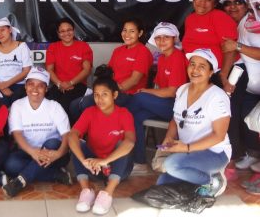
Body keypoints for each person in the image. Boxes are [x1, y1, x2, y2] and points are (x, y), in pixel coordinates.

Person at [157, 48, 231, 198]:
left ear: (211, 72)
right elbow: (175, 120)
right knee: (162, 184)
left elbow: (219, 136)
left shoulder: (217, 96)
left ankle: (212, 180)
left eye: (202, 66)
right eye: (192, 64)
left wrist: (187, 147)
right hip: (188, 151)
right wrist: (169, 137)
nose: (195, 70)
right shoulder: (182, 90)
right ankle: (196, 175)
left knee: (172, 165)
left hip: (214, 152)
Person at [68, 74, 135, 215]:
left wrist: (104, 161)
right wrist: (83, 161)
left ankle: (107, 192)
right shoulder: (89, 112)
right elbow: (73, 134)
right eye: (96, 95)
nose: (99, 99)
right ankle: (86, 190)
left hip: (118, 168)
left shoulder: (124, 114)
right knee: (75, 142)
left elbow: (130, 142)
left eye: (104, 94)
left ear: (115, 95)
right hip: (94, 168)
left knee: (123, 144)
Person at [126, 22, 188, 172]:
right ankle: (139, 162)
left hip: (178, 109)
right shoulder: (161, 58)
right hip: (164, 104)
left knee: (139, 98)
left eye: (166, 37)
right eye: (158, 38)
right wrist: (147, 92)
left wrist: (145, 91)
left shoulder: (177, 57)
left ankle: (113, 126)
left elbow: (172, 92)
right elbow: (160, 88)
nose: (161, 41)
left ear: (174, 39)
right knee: (136, 117)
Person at [2, 67, 72, 198]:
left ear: (46, 89)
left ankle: (20, 181)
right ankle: (55, 174)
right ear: (25, 87)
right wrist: (33, 152)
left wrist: (59, 154)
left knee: (52, 142)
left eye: (40, 86)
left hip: (54, 154)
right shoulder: (18, 105)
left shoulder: (54, 106)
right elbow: (17, 134)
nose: (35, 89)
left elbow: (67, 135)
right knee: (10, 165)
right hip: (28, 152)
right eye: (31, 84)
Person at [70, 18, 153, 123]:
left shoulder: (143, 52)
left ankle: (95, 134)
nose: (127, 34)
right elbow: (108, 73)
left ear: (140, 33)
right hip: (111, 91)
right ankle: (81, 136)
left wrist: (112, 91)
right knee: (74, 105)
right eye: (124, 30)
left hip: (128, 95)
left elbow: (134, 80)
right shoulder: (118, 50)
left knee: (86, 104)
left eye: (132, 31)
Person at [219, 0, 260, 182]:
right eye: (228, 3)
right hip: (250, 82)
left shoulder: (251, 23)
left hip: (256, 81)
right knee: (246, 118)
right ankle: (252, 154)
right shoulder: (235, 25)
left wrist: (237, 47)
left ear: (246, 6)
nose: (233, 6)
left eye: (238, 3)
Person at [182, 0, 237, 95]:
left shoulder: (219, 17)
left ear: (215, 3)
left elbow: (230, 48)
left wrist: (223, 76)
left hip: (218, 74)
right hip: (196, 73)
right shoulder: (190, 19)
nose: (202, 3)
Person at [46, 17, 93, 115]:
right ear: (58, 34)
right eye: (62, 31)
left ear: (74, 30)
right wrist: (59, 84)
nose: (66, 33)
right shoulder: (53, 47)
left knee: (65, 105)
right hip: (58, 85)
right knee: (49, 104)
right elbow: (49, 70)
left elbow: (86, 69)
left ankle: (70, 129)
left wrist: (71, 83)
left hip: (78, 85)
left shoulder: (83, 46)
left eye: (69, 30)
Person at [0, 17, 32, 106]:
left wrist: (6, 84)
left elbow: (26, 70)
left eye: (3, 30)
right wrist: (1, 87)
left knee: (17, 107)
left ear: (10, 30)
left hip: (18, 85)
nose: (0, 34)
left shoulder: (21, 46)